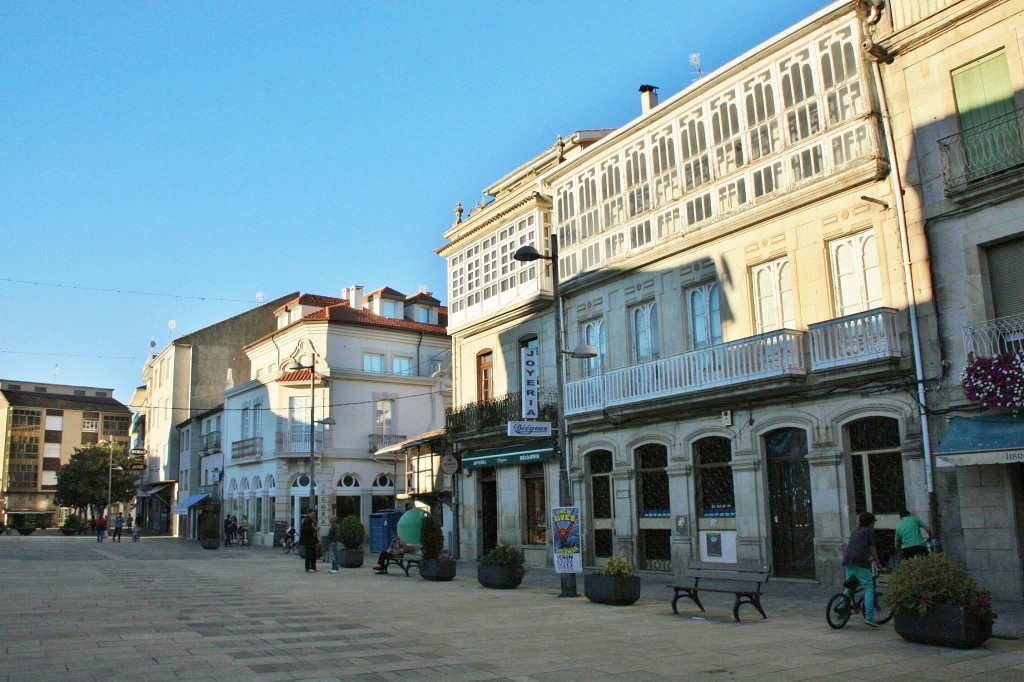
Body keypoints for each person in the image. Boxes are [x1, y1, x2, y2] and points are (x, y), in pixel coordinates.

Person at [842, 511, 882, 628]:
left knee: (850, 585)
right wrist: (879, 564)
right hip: (860, 561)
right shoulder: (868, 531)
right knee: (869, 587)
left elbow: (856, 546)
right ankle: (869, 617)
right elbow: (872, 548)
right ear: (870, 523)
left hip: (848, 560)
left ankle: (841, 609)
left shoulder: (855, 530)